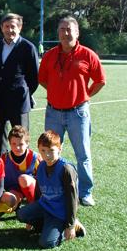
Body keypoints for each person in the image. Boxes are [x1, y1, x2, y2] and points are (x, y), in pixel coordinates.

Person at [38, 16, 106, 206]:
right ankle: (52, 188)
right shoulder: (50, 55)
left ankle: (85, 192)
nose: (65, 33)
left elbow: (100, 80)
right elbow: (42, 79)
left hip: (78, 113)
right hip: (53, 113)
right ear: (58, 33)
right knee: (49, 151)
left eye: (69, 29)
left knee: (83, 154)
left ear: (77, 33)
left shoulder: (88, 55)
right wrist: (56, 93)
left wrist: (85, 94)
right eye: (62, 29)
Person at [16, 130, 86, 248]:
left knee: (46, 243)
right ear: (38, 149)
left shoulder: (66, 169)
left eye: (51, 150)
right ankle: (45, 227)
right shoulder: (42, 166)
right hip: (45, 206)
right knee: (22, 214)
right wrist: (31, 218)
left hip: (60, 213)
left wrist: (70, 225)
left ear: (60, 149)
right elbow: (38, 191)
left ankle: (73, 226)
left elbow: (72, 200)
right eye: (43, 151)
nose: (47, 155)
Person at [0, 13, 39, 154]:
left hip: (19, 103)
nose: (9, 30)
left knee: (20, 140)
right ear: (1, 28)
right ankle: (2, 172)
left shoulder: (28, 48)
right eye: (6, 26)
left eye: (13, 26)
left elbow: (34, 78)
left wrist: (23, 92)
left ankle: (23, 173)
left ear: (20, 27)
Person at [1, 126, 40, 208]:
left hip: (32, 189)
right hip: (14, 190)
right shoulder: (4, 158)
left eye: (21, 144)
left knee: (23, 179)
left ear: (27, 143)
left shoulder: (35, 157)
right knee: (8, 200)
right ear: (9, 143)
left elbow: (44, 179)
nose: (17, 147)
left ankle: (34, 206)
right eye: (13, 144)